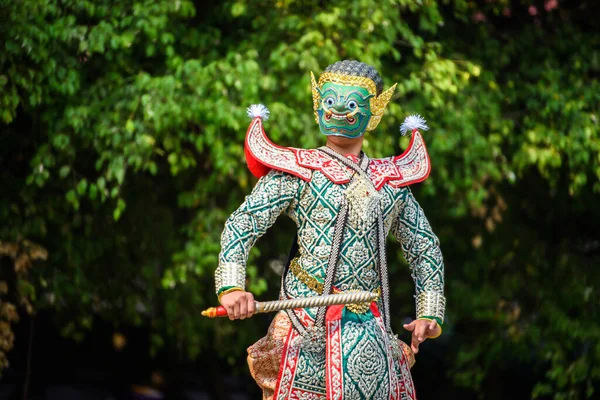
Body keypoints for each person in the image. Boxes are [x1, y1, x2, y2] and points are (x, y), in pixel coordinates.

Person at [214, 60, 446, 399]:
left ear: (375, 112)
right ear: (317, 104)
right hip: (306, 327)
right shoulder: (300, 171)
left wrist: (430, 312)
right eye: (329, 101)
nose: (338, 110)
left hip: (370, 332)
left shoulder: (391, 183)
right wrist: (232, 287)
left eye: (351, 104)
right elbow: (242, 223)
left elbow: (424, 247)